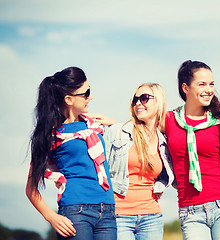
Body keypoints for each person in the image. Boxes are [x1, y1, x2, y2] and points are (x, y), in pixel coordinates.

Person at [25, 67, 116, 240]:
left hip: (108, 210)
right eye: (86, 93)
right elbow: (31, 188)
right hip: (76, 211)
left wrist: (115, 124)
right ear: (68, 99)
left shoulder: (94, 126)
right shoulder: (50, 135)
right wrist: (51, 217)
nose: (90, 97)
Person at [164, 60, 220, 240]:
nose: (209, 90)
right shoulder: (169, 120)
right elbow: (141, 127)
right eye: (202, 84)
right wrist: (113, 124)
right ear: (185, 88)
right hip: (189, 211)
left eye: (211, 84)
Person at [98, 83, 174, 240]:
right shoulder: (117, 132)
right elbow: (99, 168)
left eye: (144, 98)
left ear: (158, 101)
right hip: (119, 216)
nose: (138, 103)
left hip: (152, 217)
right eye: (135, 99)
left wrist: (159, 186)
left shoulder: (165, 141)